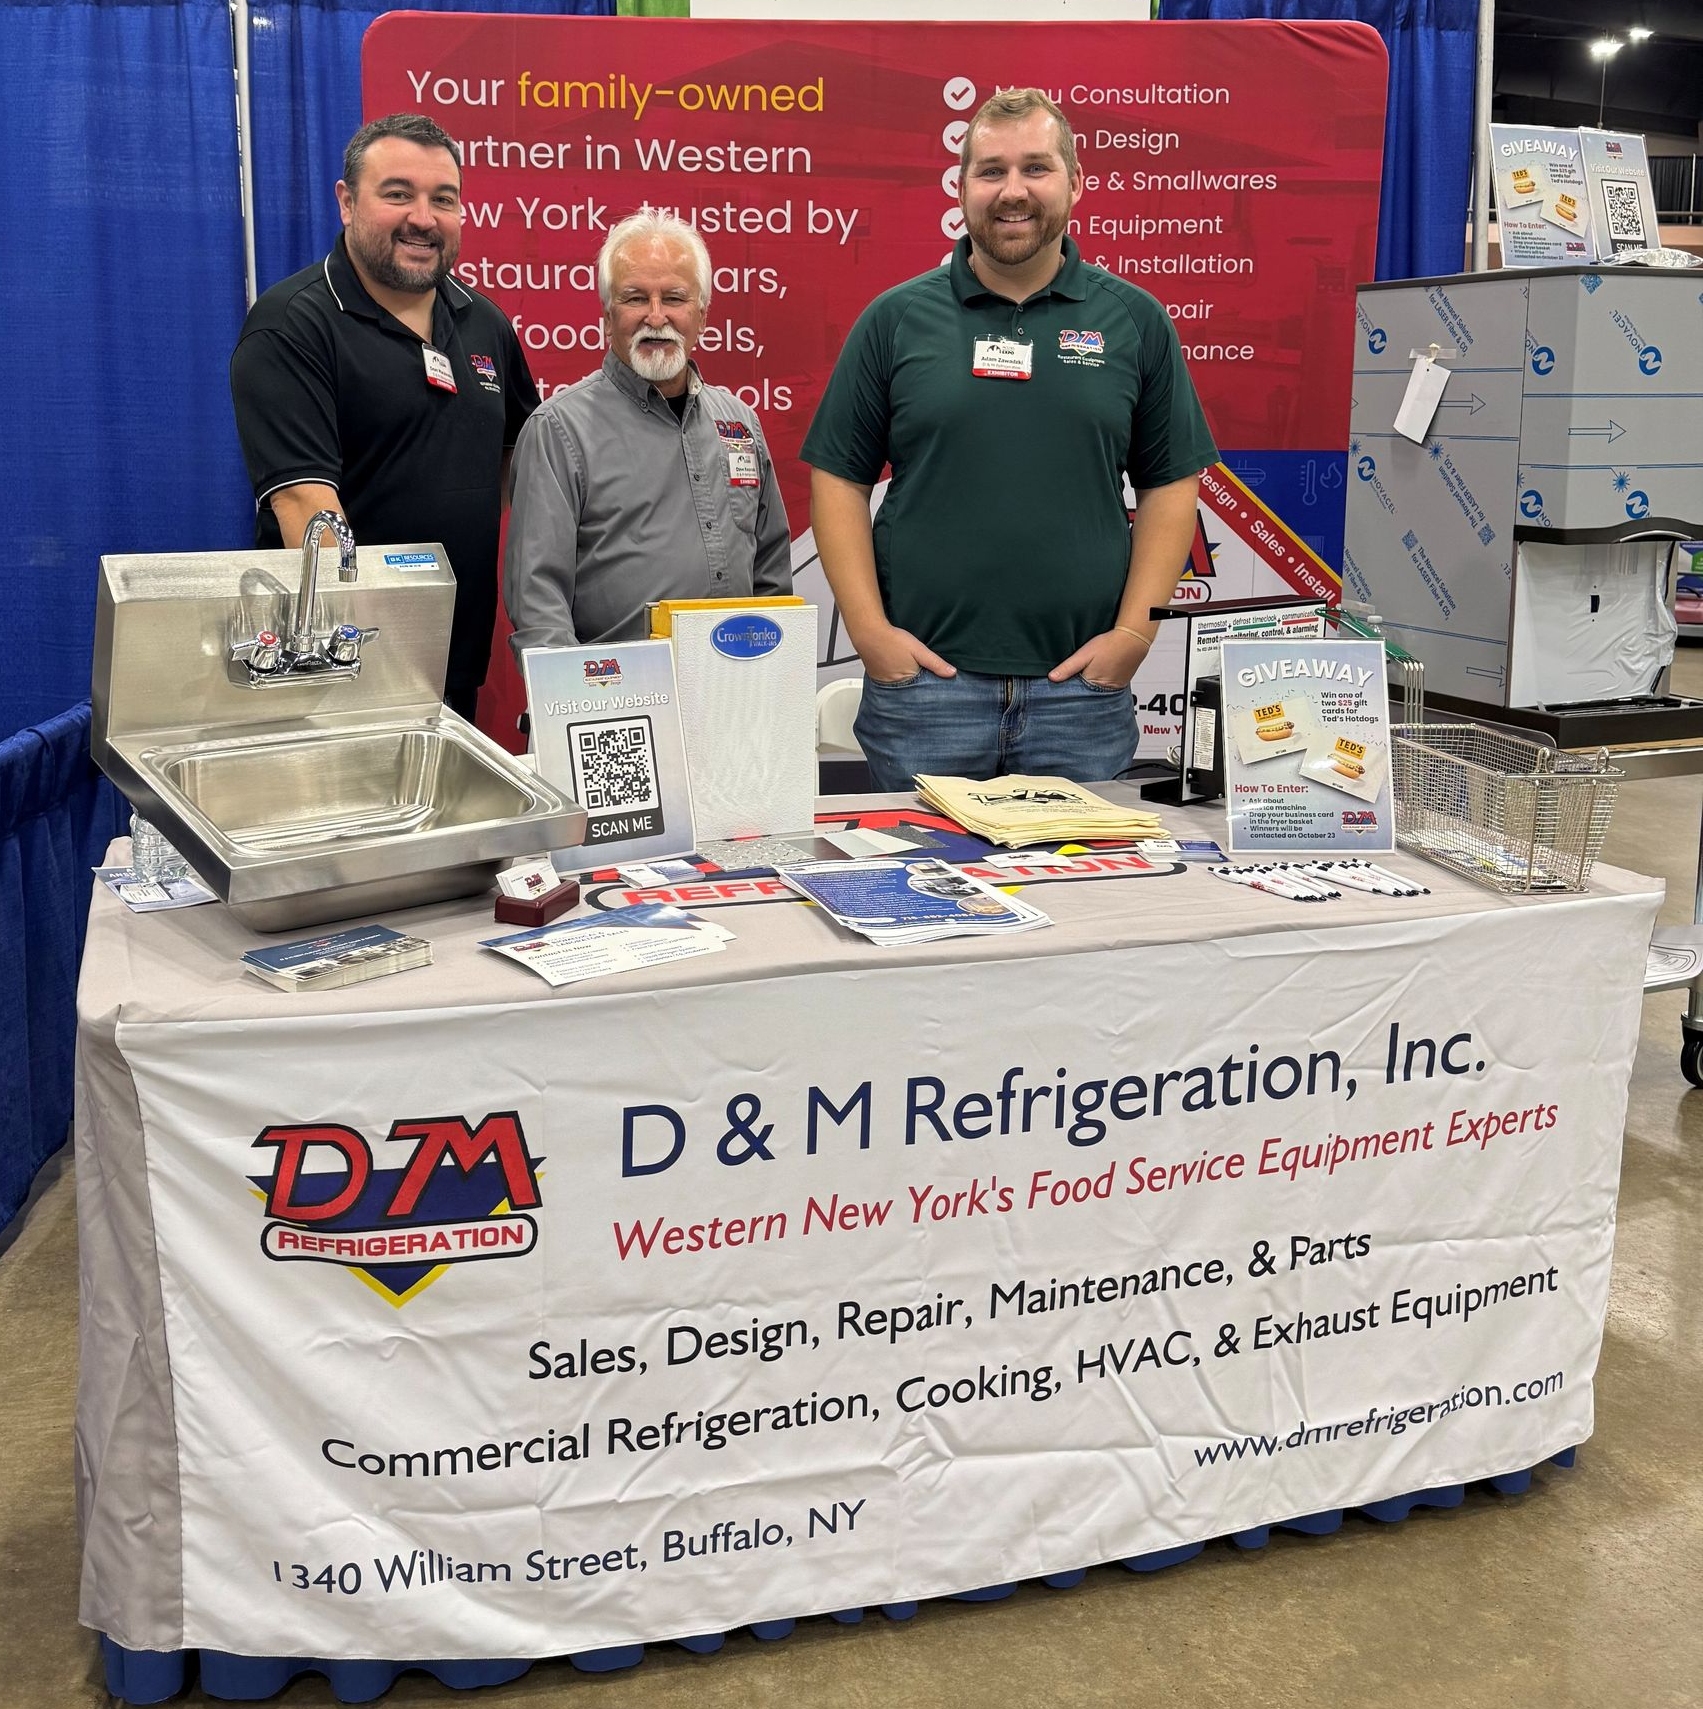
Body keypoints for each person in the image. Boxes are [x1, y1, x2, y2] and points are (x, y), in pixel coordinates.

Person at [801, 88, 1219, 789]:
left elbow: (1171, 485)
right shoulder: (895, 320)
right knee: (914, 895)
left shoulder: (1134, 322)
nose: (1012, 191)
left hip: (1080, 699)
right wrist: (871, 637)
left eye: (1035, 168)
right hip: (923, 697)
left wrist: (1133, 639)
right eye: (990, 171)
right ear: (961, 187)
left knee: (1088, 900)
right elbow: (837, 478)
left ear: (1076, 184)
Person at [230, 113, 538, 722]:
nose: (423, 218)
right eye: (398, 194)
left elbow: (521, 469)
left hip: (454, 667)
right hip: (340, 678)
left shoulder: (484, 322)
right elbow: (307, 512)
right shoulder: (292, 326)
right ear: (346, 202)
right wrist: (364, 670)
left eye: (442, 199)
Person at [503, 210, 792, 661]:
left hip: (732, 693)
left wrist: (765, 671)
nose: (656, 317)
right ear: (607, 313)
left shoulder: (739, 423)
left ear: (702, 314)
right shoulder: (558, 430)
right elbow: (539, 606)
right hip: (618, 703)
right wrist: (578, 704)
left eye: (674, 298)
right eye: (635, 298)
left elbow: (771, 570)